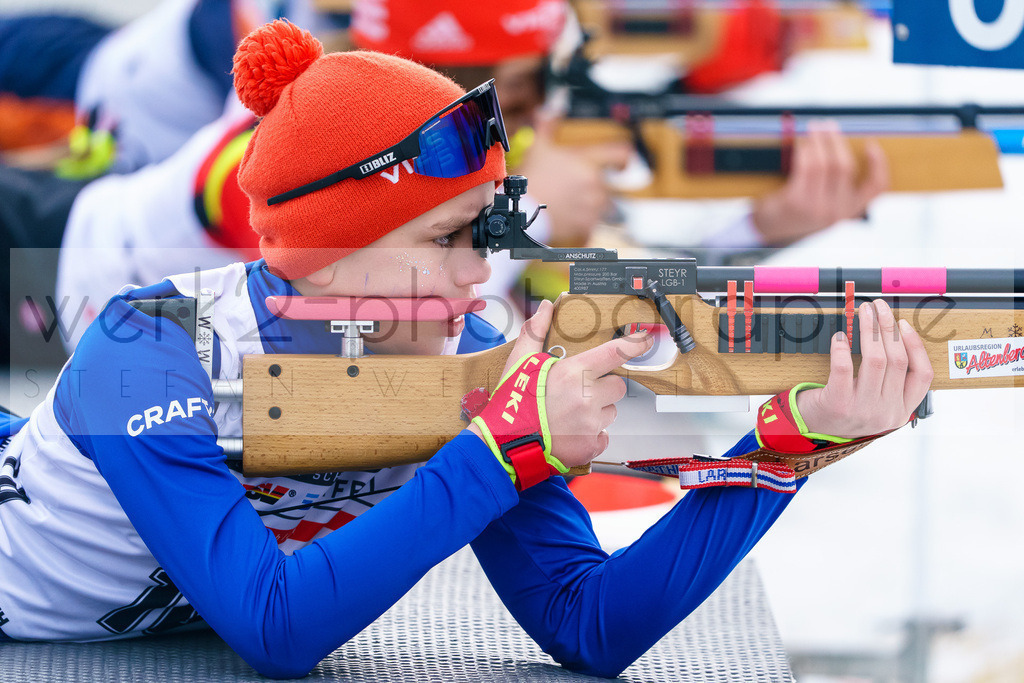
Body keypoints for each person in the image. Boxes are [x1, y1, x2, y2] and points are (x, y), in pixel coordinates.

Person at [0, 21, 932, 678]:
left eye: (484, 234)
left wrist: (788, 448)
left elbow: (587, 621)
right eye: (445, 237)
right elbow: (275, 628)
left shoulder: (470, 354)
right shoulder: (147, 344)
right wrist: (498, 454)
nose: (478, 269)